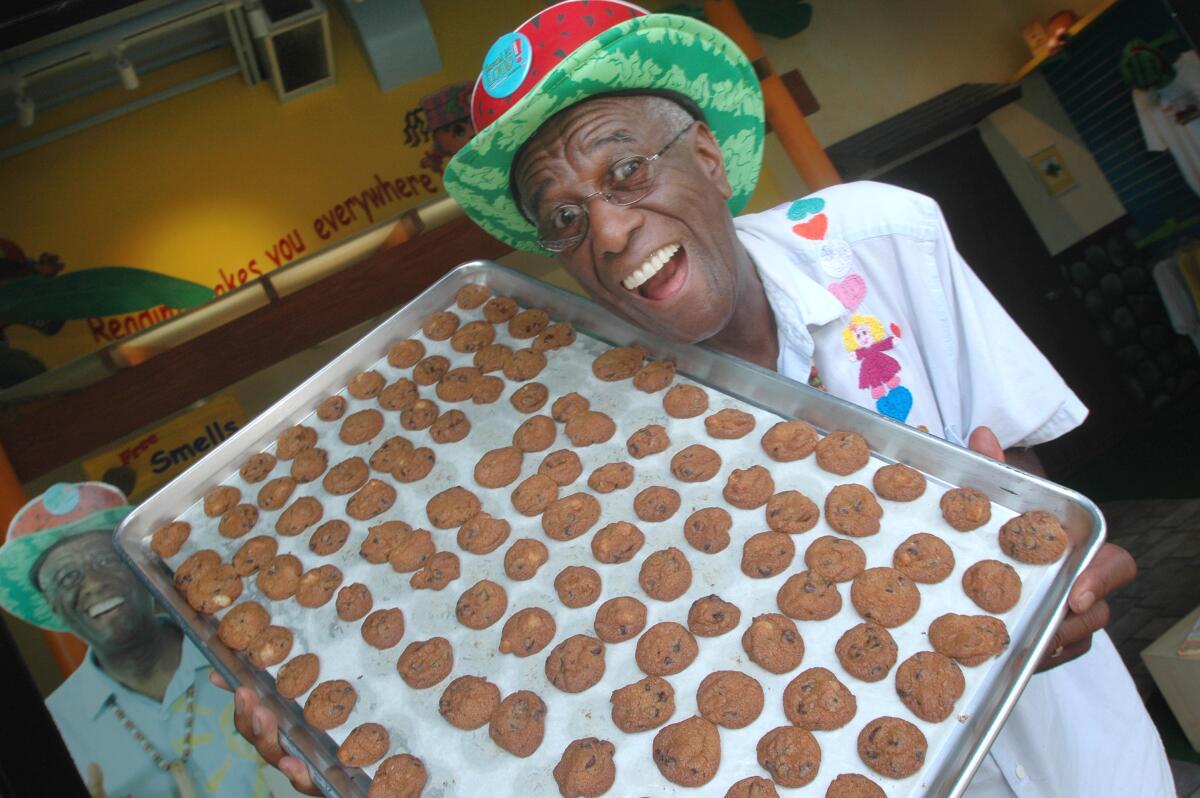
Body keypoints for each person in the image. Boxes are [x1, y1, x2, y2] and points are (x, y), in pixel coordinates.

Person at [231, 2, 1174, 795]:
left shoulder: (882, 241)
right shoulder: (583, 420)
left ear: (712, 161)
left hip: (1078, 761)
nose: (605, 229)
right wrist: (331, 696)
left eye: (625, 170)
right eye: (561, 217)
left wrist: (1061, 574)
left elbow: (1022, 468)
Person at [0, 482, 286, 798]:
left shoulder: (252, 651)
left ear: (142, 568)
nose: (93, 584)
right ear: (52, 605)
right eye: (68, 578)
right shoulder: (46, 733)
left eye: (107, 561)